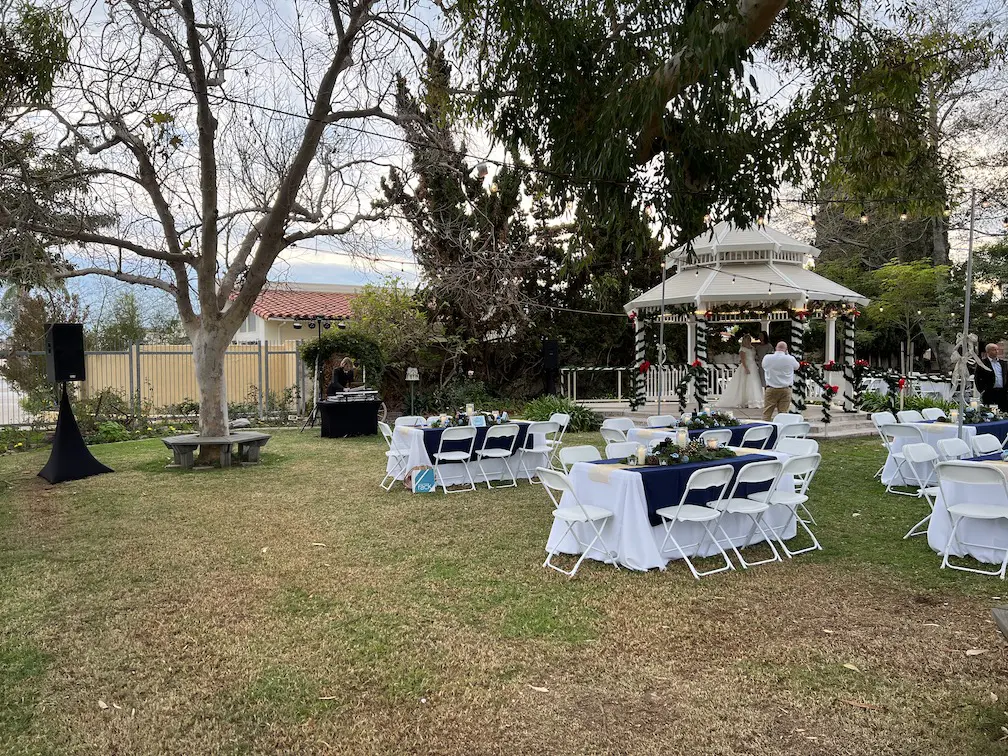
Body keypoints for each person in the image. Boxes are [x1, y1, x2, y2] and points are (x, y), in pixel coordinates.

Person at [718, 334, 763, 408]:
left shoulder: (752, 348)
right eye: (747, 339)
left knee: (754, 383)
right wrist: (746, 368)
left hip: (753, 366)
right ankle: (744, 401)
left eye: (749, 339)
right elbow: (743, 360)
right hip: (746, 366)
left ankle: (755, 401)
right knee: (745, 383)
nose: (748, 341)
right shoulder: (742, 349)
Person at [761, 341, 800, 421]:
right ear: (786, 349)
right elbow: (797, 367)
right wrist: (788, 354)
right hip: (785, 389)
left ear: (776, 348)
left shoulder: (767, 358)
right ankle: (782, 431)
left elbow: (763, 366)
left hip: (771, 388)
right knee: (783, 414)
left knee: (767, 414)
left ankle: (765, 431)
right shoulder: (790, 359)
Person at [974, 343, 1007, 408]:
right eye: (994, 350)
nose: (996, 351)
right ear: (988, 351)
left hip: (1002, 391)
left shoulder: (1003, 363)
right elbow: (977, 378)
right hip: (989, 391)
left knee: (1003, 410)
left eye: (997, 349)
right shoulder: (982, 364)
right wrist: (982, 390)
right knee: (990, 411)